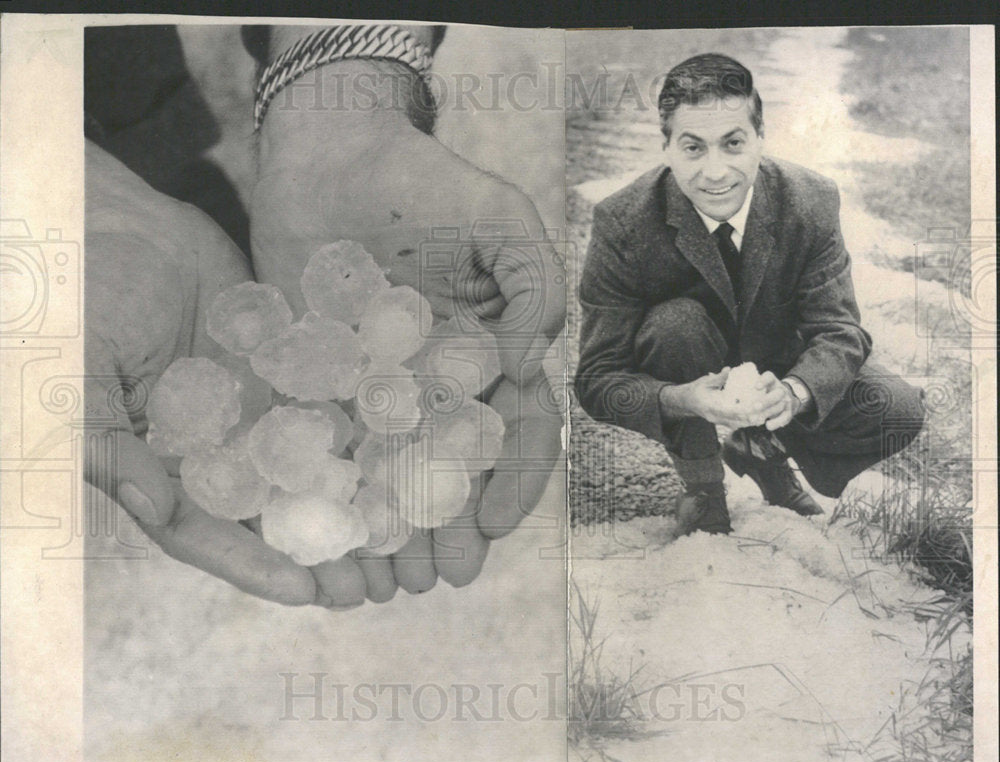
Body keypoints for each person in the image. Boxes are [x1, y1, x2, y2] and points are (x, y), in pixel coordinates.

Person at [84, 23, 565, 608]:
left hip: (122, 72)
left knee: (167, 159)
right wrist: (51, 201)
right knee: (189, 259)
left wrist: (344, 95)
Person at [574, 53, 924, 537]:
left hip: (779, 361)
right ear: (667, 147)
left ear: (760, 139)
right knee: (676, 325)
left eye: (733, 143)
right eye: (693, 148)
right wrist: (684, 400)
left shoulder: (812, 198)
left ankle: (763, 452)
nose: (715, 172)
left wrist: (794, 394)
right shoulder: (623, 221)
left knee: (896, 409)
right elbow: (597, 379)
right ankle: (703, 486)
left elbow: (840, 331)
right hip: (687, 358)